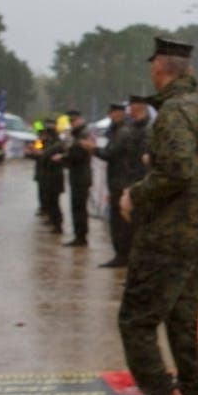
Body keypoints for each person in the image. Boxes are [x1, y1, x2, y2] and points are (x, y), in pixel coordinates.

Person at [117, 37, 198, 395]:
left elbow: (178, 169)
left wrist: (135, 194)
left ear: (158, 69)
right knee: (183, 323)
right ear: (188, 70)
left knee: (136, 322)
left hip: (167, 235)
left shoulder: (174, 111)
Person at [84, 99, 148, 268]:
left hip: (122, 182)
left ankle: (123, 256)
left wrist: (93, 149)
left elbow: (111, 153)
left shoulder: (123, 132)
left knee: (120, 222)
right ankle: (122, 255)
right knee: (119, 221)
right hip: (118, 181)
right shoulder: (118, 130)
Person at [58, 109, 92, 247]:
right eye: (70, 121)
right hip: (77, 175)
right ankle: (79, 235)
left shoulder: (83, 134)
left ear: (79, 119)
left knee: (79, 208)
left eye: (73, 120)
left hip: (81, 176)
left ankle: (81, 237)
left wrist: (64, 158)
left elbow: (78, 155)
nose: (72, 123)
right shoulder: (75, 134)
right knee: (76, 207)